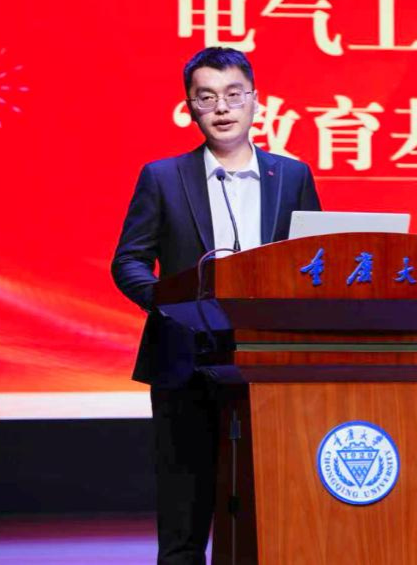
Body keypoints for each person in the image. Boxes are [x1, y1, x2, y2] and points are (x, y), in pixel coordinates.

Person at [111, 47, 321, 565]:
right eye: (206, 98)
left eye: (233, 95)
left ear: (255, 101)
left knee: (272, 496)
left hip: (270, 360)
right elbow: (129, 261)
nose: (222, 108)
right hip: (185, 358)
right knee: (184, 509)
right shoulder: (163, 177)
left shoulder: (291, 176)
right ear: (190, 107)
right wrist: (169, 304)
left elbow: (315, 259)